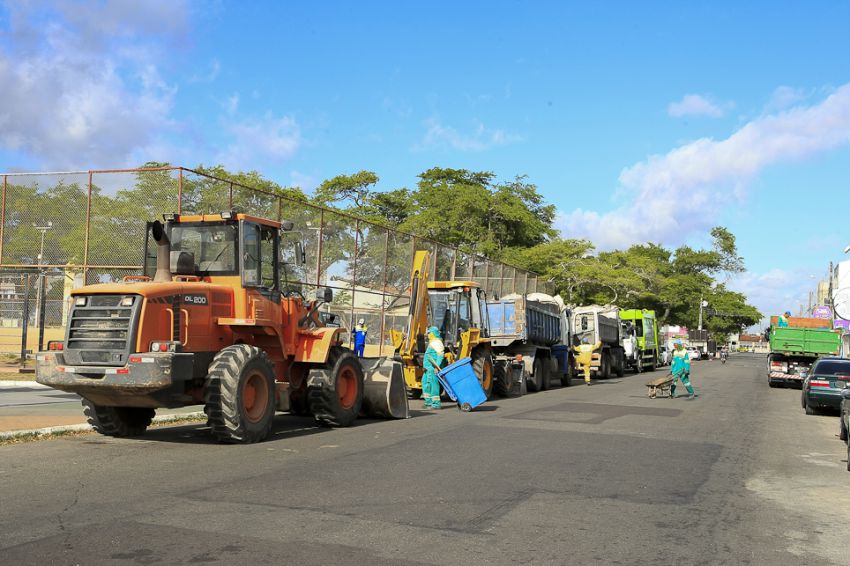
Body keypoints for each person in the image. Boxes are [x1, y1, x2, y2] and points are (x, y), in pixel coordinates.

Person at [422, 326, 445, 409]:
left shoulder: (437, 342)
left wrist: (436, 367)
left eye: (429, 333)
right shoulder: (432, 342)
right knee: (426, 384)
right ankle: (428, 402)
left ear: (433, 333)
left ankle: (436, 404)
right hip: (427, 369)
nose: (427, 335)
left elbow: (440, 355)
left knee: (433, 385)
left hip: (432, 368)